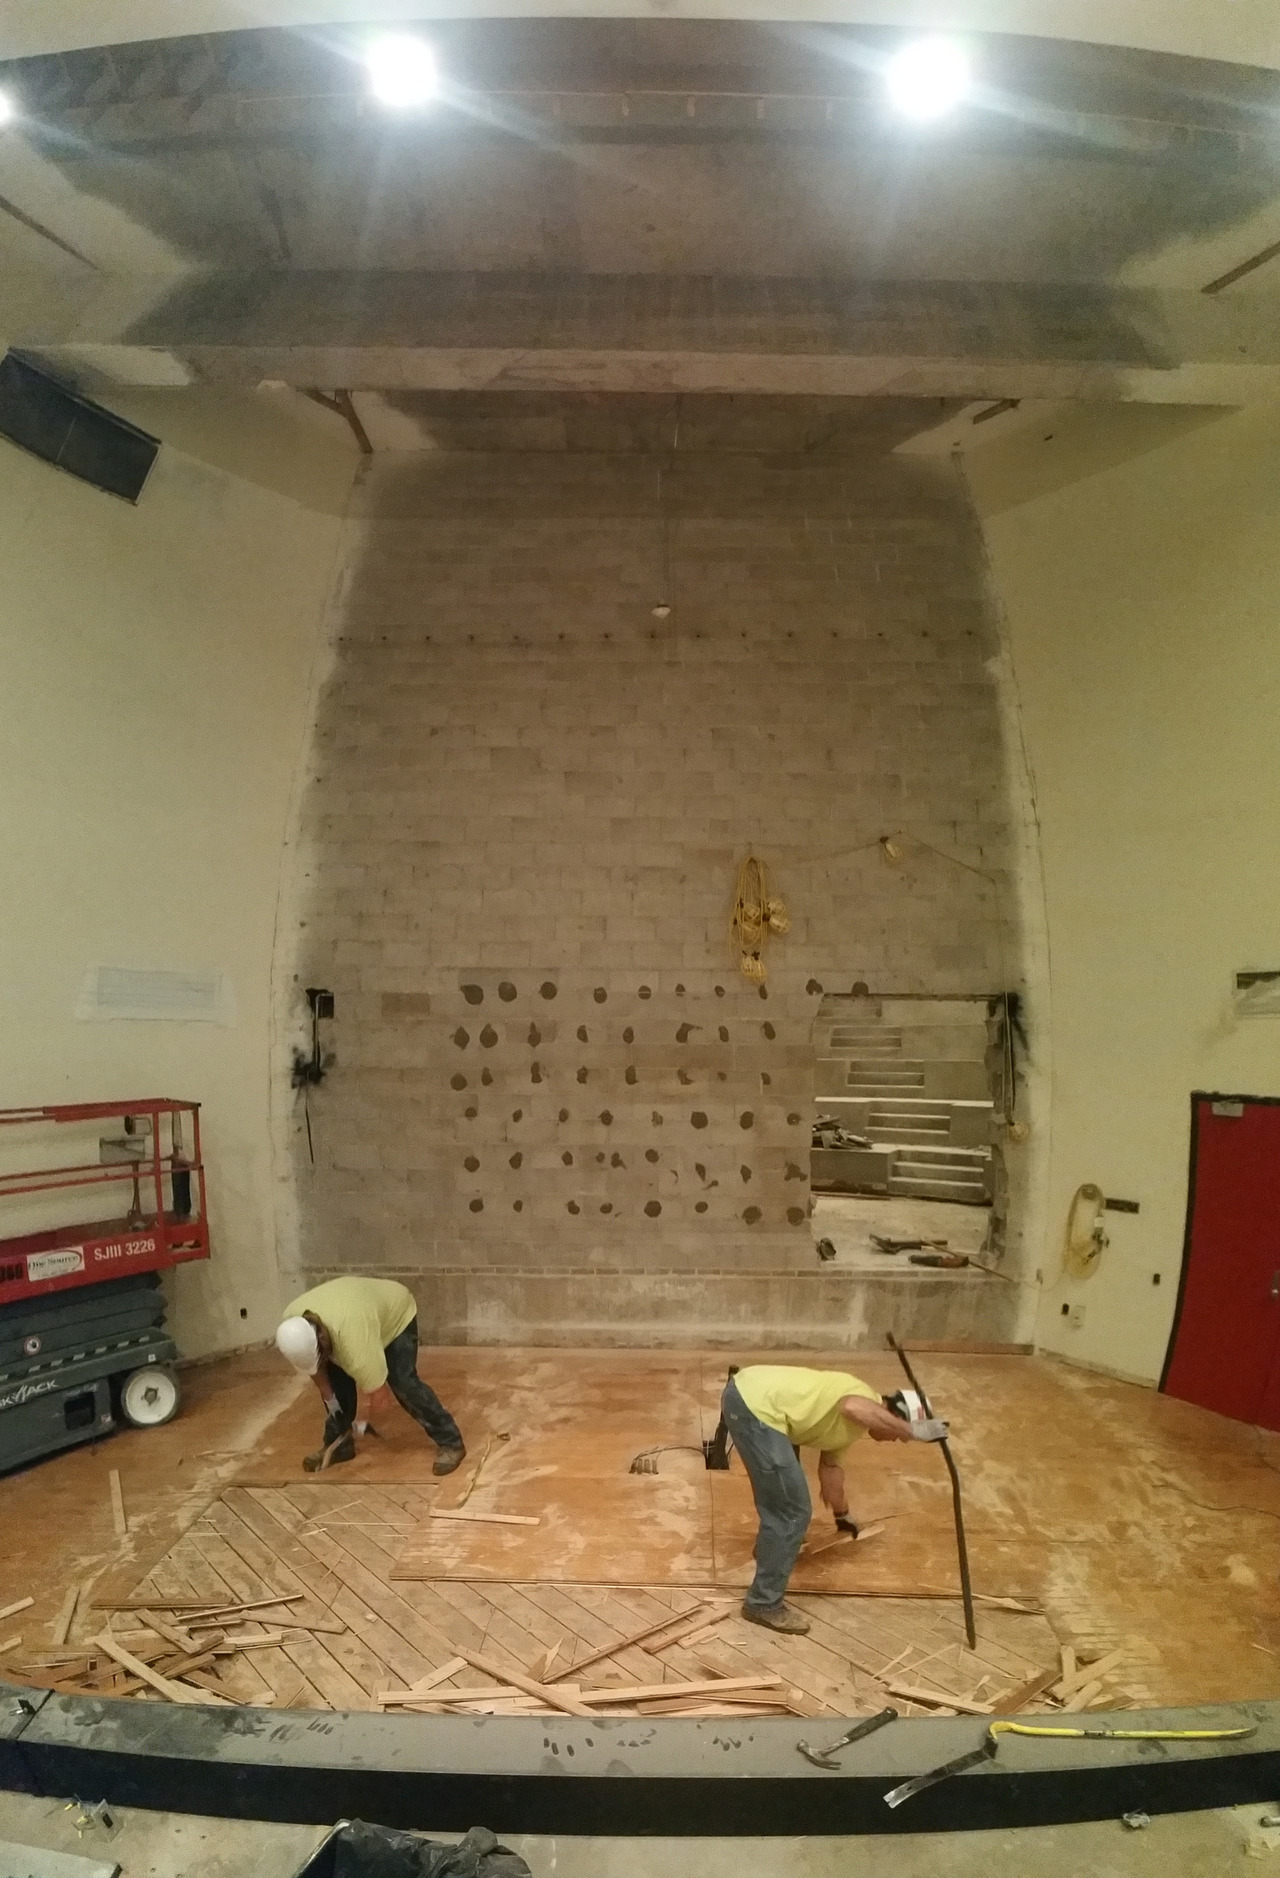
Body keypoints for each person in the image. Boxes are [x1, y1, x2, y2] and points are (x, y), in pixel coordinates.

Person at [720, 1363, 914, 1634]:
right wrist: (913, 1431)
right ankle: (763, 1603)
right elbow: (851, 1407)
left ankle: (771, 1552)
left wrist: (842, 1515)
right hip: (756, 1405)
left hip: (757, 1401)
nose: (897, 1440)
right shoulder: (864, 1399)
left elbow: (831, 1471)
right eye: (897, 1432)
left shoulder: (852, 1430)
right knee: (791, 1511)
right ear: (892, 1415)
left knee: (782, 1500)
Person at [275, 1275, 465, 1475]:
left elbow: (379, 1397)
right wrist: (329, 1396)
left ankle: (451, 1442)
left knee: (404, 1384)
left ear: (321, 1341)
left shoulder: (355, 1347)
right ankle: (339, 1446)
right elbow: (316, 1369)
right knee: (336, 1388)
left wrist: (361, 1423)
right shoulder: (292, 1326)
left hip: (395, 1311)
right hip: (352, 1314)